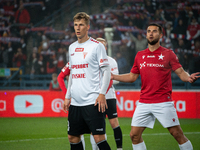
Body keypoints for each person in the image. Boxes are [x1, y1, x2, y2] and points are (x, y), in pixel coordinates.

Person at [111, 23, 200, 150]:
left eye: (154, 31)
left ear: (161, 35)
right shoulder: (140, 55)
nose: (151, 33)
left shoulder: (168, 54)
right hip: (144, 102)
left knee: (177, 134)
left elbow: (180, 72)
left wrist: (188, 77)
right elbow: (132, 77)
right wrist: (113, 76)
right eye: (148, 31)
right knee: (134, 135)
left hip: (163, 101)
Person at [62, 12, 111, 150]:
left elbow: (106, 71)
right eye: (76, 25)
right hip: (76, 103)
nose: (78, 28)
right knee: (73, 137)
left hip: (92, 101)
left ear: (88, 27)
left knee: (98, 138)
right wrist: (67, 96)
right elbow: (72, 73)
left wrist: (102, 94)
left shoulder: (96, 46)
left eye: (81, 25)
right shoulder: (71, 47)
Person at [96, 37, 123, 150]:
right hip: (95, 97)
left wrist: (103, 92)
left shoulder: (111, 61)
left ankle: (119, 148)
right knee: (98, 126)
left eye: (103, 45)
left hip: (109, 96)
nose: (101, 47)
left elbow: (115, 79)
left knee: (114, 123)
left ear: (106, 47)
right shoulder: (91, 60)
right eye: (99, 45)